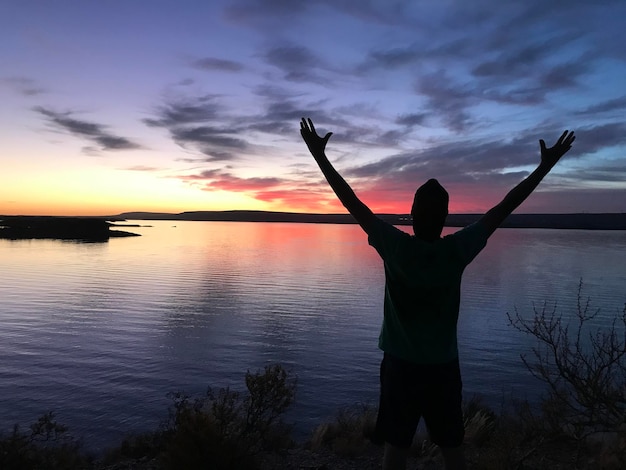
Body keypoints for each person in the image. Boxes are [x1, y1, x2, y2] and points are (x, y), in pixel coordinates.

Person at [299, 117, 575, 470]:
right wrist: (544, 167)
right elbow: (504, 208)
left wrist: (320, 157)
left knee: (396, 449)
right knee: (452, 450)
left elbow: (352, 203)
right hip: (443, 368)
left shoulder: (395, 247)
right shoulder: (456, 251)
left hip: (400, 367)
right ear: (445, 216)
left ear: (411, 214)